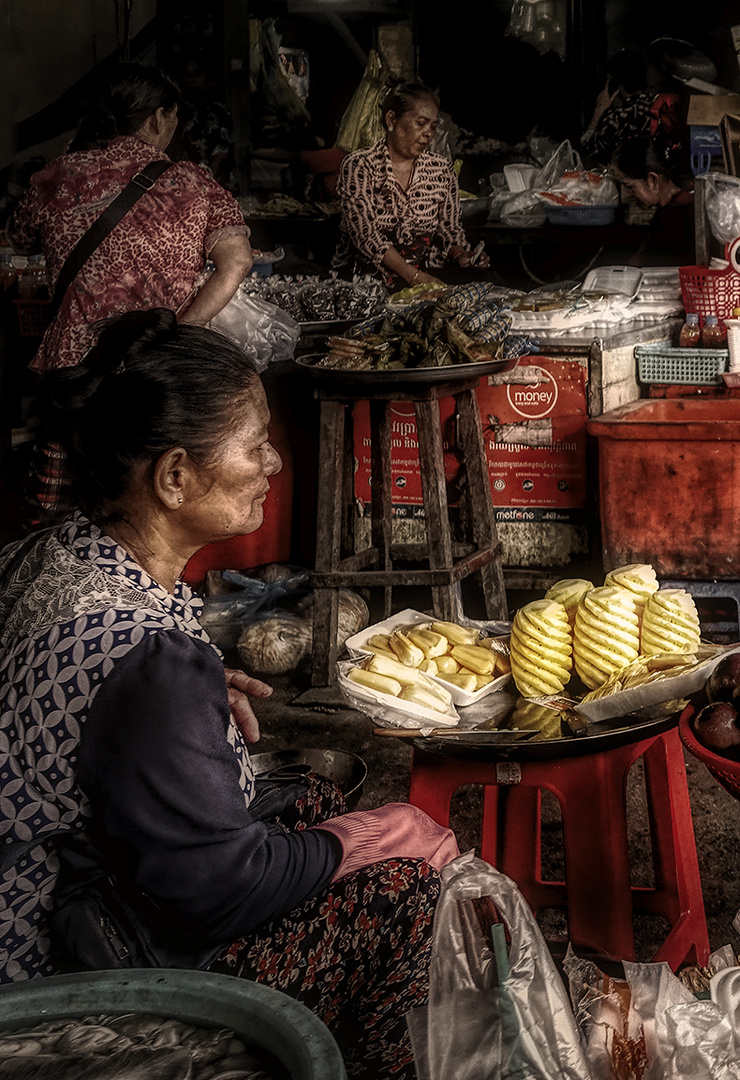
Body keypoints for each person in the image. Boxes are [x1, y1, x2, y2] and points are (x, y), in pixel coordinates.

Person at [0, 311, 458, 1078]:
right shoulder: (148, 660)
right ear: (174, 475)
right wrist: (368, 840)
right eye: (254, 446)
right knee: (407, 899)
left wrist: (188, 699)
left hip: (65, 891)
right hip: (56, 970)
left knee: (310, 798)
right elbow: (216, 894)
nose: (273, 463)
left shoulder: (47, 555)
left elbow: (81, 706)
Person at [6, 63, 251, 374]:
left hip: (74, 362)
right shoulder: (193, 181)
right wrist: (183, 330)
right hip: (156, 362)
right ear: (157, 117)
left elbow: (20, 239)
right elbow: (238, 261)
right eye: (174, 115)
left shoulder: (60, 174)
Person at [334, 82, 487, 287]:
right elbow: (365, 234)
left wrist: (461, 254)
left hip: (425, 274)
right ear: (391, 119)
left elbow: (449, 229)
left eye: (433, 126)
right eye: (420, 123)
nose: (428, 133)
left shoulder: (440, 169)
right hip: (366, 278)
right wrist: (413, 276)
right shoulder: (360, 166)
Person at [581, 48, 684, 167]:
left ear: (614, 84)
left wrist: (598, 113)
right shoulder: (658, 105)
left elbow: (586, 155)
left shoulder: (619, 117)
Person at [614, 131, 696, 255]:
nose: (629, 193)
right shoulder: (668, 206)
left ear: (653, 180)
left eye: (630, 186)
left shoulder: (689, 208)